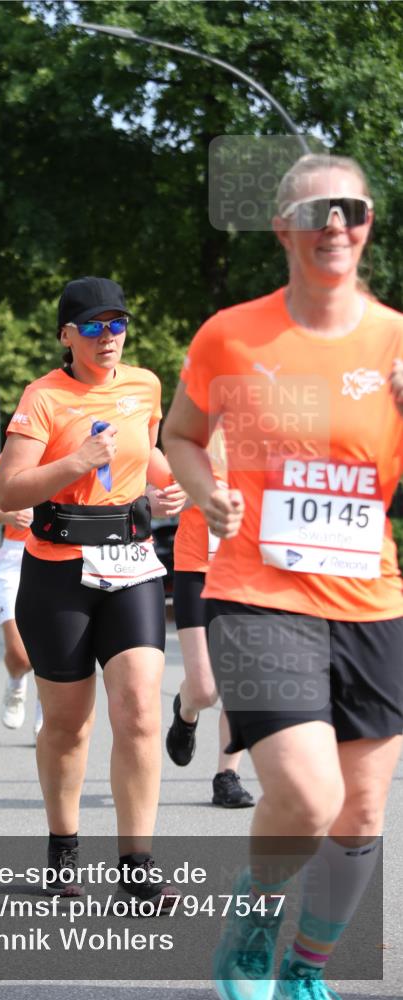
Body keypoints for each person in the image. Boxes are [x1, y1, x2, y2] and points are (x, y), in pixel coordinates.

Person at [162, 154, 403, 1000]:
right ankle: (250, 936)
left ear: (368, 222)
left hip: (369, 601)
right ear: (283, 228)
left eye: (351, 209)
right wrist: (205, 493)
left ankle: (306, 967)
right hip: (257, 594)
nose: (334, 224)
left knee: (361, 814)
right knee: (305, 795)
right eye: (316, 211)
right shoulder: (231, 332)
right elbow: (181, 435)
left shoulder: (398, 338)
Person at [0, 275, 181, 910]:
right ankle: (63, 845)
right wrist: (76, 462)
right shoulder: (43, 397)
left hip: (130, 562)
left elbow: (147, 450)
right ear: (66, 335)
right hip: (58, 573)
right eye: (96, 327)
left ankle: (137, 864)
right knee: (70, 727)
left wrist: (167, 482)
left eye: (118, 324)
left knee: (140, 712)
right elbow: (8, 493)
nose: (110, 337)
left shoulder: (146, 384)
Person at [164, 429, 254, 808]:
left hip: (248, 574)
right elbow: (171, 500)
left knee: (238, 681)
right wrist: (192, 492)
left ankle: (227, 776)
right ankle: (185, 712)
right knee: (204, 689)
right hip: (197, 569)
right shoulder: (195, 434)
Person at [0, 454, 43, 738]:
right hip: (15, 559)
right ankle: (16, 683)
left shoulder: (70, 451)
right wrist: (9, 517)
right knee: (20, 654)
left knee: (51, 647)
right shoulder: (9, 457)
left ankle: (46, 713)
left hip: (56, 554)